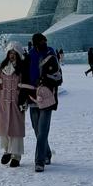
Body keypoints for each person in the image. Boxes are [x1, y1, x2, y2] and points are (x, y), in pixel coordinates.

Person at [0, 42, 27, 168]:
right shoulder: (2, 68)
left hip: (16, 103)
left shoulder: (22, 69)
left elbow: (25, 87)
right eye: (10, 53)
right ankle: (7, 151)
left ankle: (16, 155)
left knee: (16, 130)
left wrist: (25, 100)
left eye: (14, 53)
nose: (12, 56)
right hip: (3, 103)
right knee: (4, 129)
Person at [26, 33, 62, 172]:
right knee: (37, 130)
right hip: (33, 96)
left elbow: (57, 74)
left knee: (43, 131)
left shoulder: (50, 52)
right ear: (35, 43)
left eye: (45, 40)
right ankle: (47, 153)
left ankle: (39, 161)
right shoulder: (30, 55)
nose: (44, 42)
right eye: (41, 41)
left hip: (47, 96)